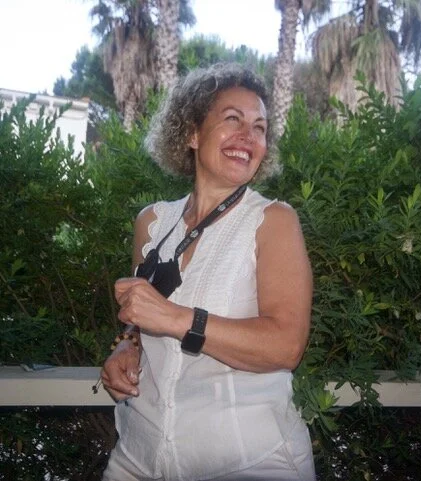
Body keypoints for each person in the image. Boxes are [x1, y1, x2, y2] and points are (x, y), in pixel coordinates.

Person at [100, 63, 315, 481]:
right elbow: (141, 321)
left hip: (250, 461)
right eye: (233, 119)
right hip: (138, 458)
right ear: (192, 133)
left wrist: (177, 319)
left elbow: (286, 346)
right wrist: (126, 345)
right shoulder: (152, 222)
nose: (248, 136)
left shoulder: (274, 221)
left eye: (259, 127)